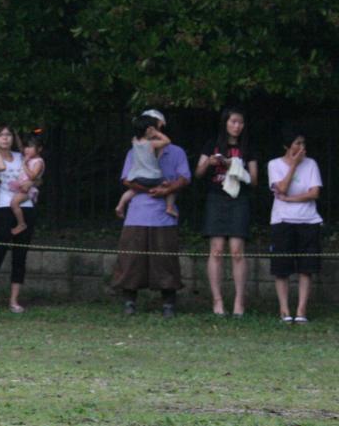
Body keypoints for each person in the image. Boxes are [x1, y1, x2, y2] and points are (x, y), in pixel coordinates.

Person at [111, 108, 191, 317]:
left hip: (164, 216)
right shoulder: (135, 150)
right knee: (131, 259)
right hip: (137, 213)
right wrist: (149, 190)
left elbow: (184, 177)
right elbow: (126, 179)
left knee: (165, 260)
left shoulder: (176, 151)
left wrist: (167, 189)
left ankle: (169, 303)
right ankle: (129, 300)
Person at [196, 107, 258, 316]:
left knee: (237, 251)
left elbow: (255, 179)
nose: (237, 126)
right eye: (233, 122)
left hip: (239, 199)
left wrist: (237, 166)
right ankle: (217, 301)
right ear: (225, 123)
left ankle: (239, 302)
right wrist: (210, 162)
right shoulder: (212, 144)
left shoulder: (247, 146)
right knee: (216, 250)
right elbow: (198, 172)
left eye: (240, 122)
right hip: (216, 198)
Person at [0, 124, 38, 313]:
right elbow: (0, 166)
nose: (5, 138)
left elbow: (37, 177)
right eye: (1, 135)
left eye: (9, 135)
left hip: (25, 206)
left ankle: (14, 301)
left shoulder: (22, 157)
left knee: (20, 255)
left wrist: (32, 181)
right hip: (3, 207)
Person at [267, 126, 323, 324]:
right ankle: (284, 309)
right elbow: (281, 187)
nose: (301, 147)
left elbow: (314, 192)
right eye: (297, 143)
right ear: (287, 145)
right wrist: (293, 165)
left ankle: (301, 310)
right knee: (281, 268)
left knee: (306, 268)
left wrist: (290, 200)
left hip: (308, 220)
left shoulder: (312, 164)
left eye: (303, 143)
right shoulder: (274, 164)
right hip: (282, 221)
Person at [115, 115, 174, 219]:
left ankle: (120, 205)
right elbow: (167, 141)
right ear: (149, 130)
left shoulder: (134, 142)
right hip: (153, 177)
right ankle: (169, 207)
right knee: (169, 186)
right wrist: (157, 133)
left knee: (133, 190)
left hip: (138, 177)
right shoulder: (151, 144)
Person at [8, 131, 46, 235]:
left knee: (14, 203)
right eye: (26, 147)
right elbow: (20, 147)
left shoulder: (38, 161)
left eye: (30, 147)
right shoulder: (28, 157)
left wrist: (24, 164)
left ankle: (21, 224)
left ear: (39, 149)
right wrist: (15, 135)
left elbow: (33, 176)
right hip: (22, 186)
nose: (26, 150)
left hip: (29, 189)